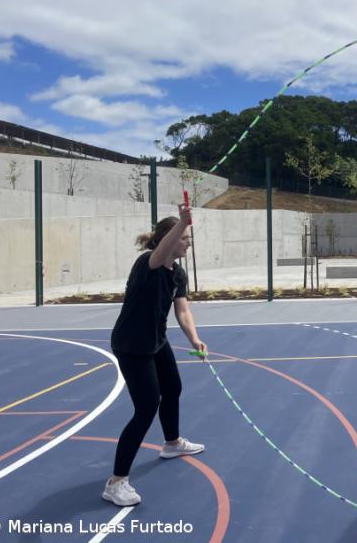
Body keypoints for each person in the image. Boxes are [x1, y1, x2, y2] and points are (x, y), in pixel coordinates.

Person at [102, 204, 208, 506]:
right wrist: (182, 222)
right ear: (171, 239)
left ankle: (172, 443)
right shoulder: (148, 262)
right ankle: (116, 482)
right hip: (131, 344)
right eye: (185, 238)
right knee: (146, 407)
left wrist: (195, 338)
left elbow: (182, 309)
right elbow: (160, 253)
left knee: (172, 388)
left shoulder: (177, 273)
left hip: (156, 340)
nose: (188, 243)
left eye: (188, 237)